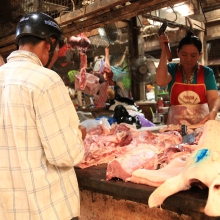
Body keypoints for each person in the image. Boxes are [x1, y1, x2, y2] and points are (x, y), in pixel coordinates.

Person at [0, 12, 85, 220]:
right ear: (50, 44)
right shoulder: (46, 80)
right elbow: (65, 154)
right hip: (46, 209)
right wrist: (78, 135)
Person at [156, 31, 220, 125]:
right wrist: (164, 50)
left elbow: (214, 98)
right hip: (176, 126)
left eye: (193, 55)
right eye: (184, 54)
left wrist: (213, 112)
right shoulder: (172, 69)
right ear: (178, 53)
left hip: (201, 124)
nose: (188, 59)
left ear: (200, 55)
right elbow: (161, 81)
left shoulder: (207, 72)